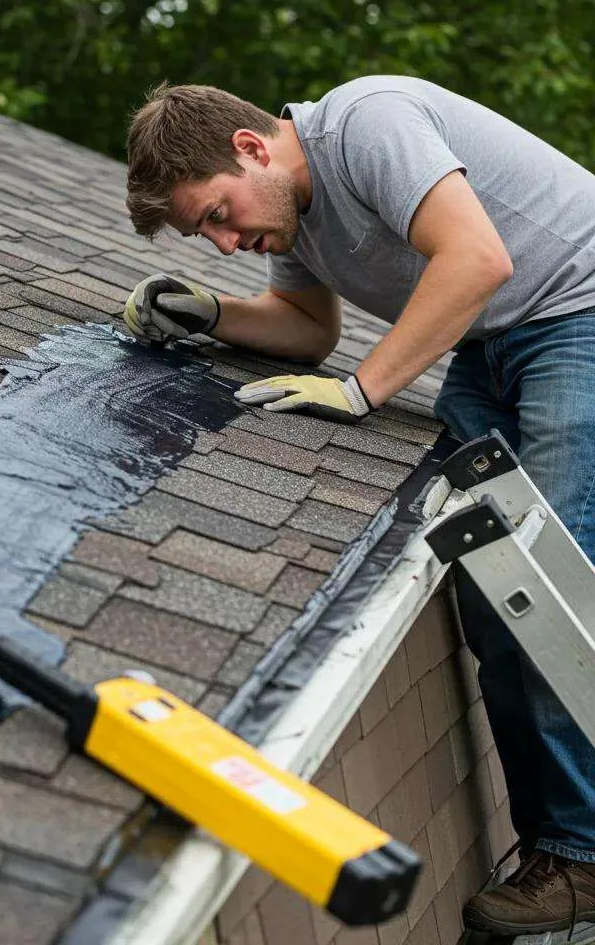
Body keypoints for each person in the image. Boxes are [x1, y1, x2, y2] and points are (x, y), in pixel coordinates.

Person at [122, 77, 595, 936]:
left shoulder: (367, 126)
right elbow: (307, 328)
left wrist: (364, 393)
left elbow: (477, 259)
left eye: (218, 215)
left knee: (548, 585)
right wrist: (208, 314)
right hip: (495, 340)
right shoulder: (293, 208)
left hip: (581, 312)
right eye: (207, 236)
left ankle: (587, 854)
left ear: (251, 148)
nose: (227, 242)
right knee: (489, 585)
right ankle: (562, 853)